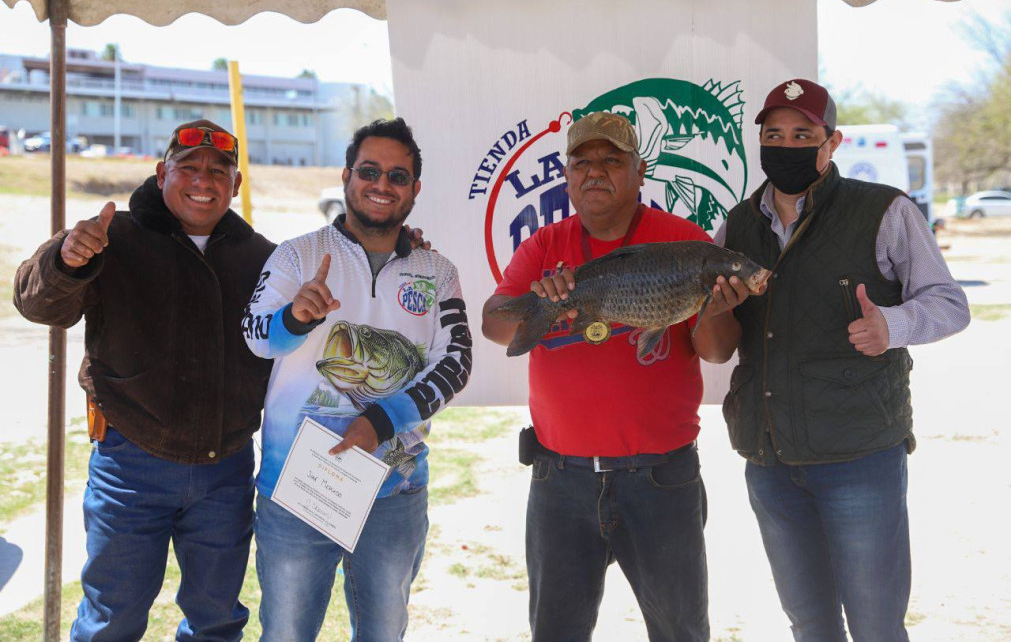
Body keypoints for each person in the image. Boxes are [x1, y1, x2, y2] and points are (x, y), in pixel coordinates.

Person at [709, 78, 971, 641]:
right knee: (810, 625)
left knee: (876, 626)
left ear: (832, 142)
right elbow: (721, 343)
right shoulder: (737, 226)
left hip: (859, 459)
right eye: (773, 134)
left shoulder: (883, 211)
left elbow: (950, 304)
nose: (786, 145)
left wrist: (892, 326)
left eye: (803, 133)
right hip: (770, 461)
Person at [481, 111, 743, 641]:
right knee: (555, 632)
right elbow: (493, 324)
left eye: (611, 161)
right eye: (583, 163)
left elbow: (716, 354)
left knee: (680, 632)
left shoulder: (682, 240)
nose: (595, 172)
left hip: (661, 479)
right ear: (567, 174)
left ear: (640, 170)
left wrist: (716, 308)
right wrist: (540, 300)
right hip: (561, 481)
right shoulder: (544, 246)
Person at [14, 120, 275, 641]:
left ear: (236, 185)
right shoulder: (111, 237)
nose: (204, 179)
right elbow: (36, 303)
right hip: (130, 465)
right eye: (189, 167)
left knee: (218, 623)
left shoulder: (261, 256)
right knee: (112, 621)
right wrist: (64, 259)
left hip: (226, 470)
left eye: (218, 170)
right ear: (162, 174)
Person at [242, 117, 472, 641]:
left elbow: (456, 361)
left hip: (395, 490)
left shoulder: (438, 271)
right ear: (347, 176)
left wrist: (381, 420)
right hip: (298, 489)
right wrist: (295, 319)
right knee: (286, 634)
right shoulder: (297, 256)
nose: (381, 185)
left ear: (415, 189)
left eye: (397, 175)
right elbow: (256, 336)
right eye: (369, 171)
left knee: (383, 634)